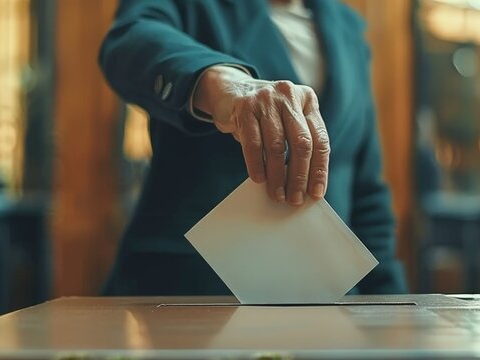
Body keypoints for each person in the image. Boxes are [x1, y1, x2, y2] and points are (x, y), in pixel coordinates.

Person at [99, 0, 407, 296]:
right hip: (195, 293)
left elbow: (365, 191)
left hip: (328, 299)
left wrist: (391, 305)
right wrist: (223, 83)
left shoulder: (348, 28)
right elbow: (129, 40)